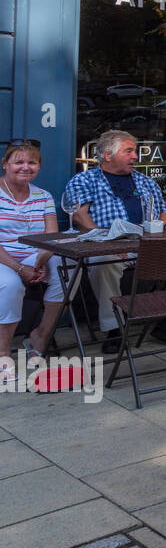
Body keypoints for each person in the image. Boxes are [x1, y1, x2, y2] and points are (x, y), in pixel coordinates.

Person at [64, 130, 166, 355]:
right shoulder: (84, 180)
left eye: (134, 151)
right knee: (103, 261)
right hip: (108, 245)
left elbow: (164, 215)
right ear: (107, 155)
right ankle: (114, 327)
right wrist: (112, 244)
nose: (135, 156)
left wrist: (159, 232)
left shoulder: (145, 181)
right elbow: (80, 217)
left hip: (147, 244)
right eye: (129, 151)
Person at [0, 142, 67, 376]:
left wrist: (38, 262)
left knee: (65, 269)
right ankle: (3, 353)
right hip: (3, 258)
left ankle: (40, 338)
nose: (25, 167)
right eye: (19, 162)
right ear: (5, 164)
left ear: (39, 166)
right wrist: (20, 269)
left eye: (32, 162)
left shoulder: (43, 196)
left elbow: (51, 237)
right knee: (9, 284)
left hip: (34, 255)